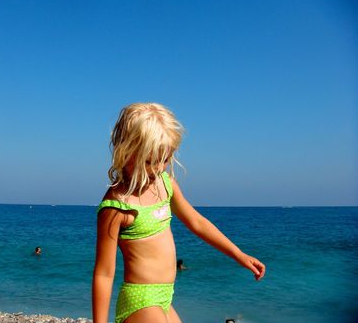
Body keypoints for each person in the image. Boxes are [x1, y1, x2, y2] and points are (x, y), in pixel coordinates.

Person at [92, 103, 266, 323]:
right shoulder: (117, 206)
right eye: (150, 161)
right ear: (127, 151)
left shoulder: (166, 185)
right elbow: (104, 274)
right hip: (140, 300)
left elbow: (197, 222)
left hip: (165, 297)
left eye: (165, 160)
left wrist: (238, 255)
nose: (158, 168)